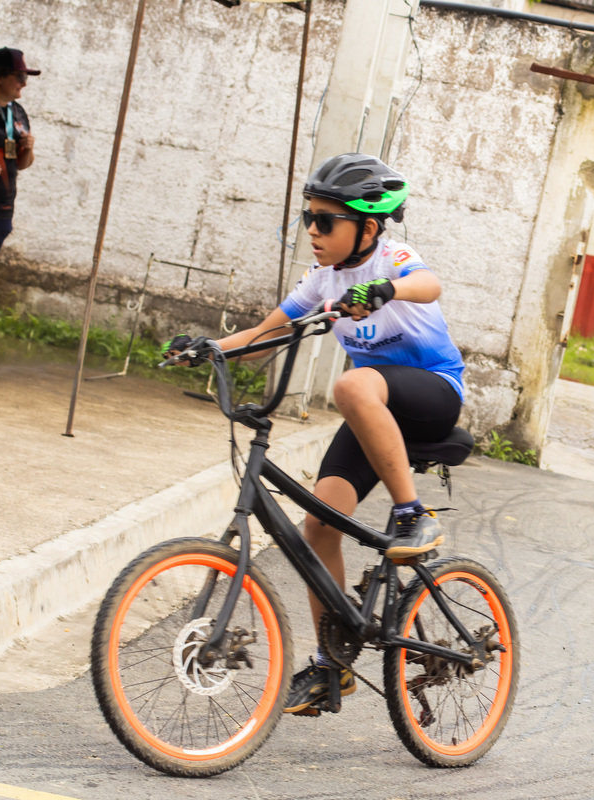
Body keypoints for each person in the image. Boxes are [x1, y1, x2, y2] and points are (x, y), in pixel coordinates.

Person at [166, 153, 465, 715]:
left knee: (351, 385)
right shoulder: (322, 280)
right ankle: (334, 666)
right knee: (318, 524)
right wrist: (204, 349)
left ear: (367, 228)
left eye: (325, 220)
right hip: (373, 408)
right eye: (309, 217)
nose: (313, 230)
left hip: (432, 397)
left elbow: (430, 285)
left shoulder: (393, 259)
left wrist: (387, 290)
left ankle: (412, 515)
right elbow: (264, 333)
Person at [0, 47, 38, 277]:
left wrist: (29, 149)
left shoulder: (17, 113)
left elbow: (21, 164)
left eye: (25, 77)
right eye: (19, 76)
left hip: (0, 212)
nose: (24, 83)